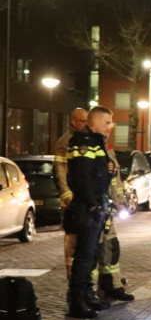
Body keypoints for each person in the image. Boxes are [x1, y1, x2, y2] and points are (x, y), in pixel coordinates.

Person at [64, 107, 115, 318]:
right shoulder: (84, 142)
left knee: (92, 255)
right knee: (84, 257)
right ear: (95, 122)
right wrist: (93, 204)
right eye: (108, 122)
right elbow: (81, 177)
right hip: (86, 209)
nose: (110, 127)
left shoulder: (95, 142)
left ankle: (87, 296)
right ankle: (77, 302)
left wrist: (110, 173)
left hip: (93, 207)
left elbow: (96, 177)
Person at [97, 130, 135, 302]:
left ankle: (112, 286)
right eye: (106, 124)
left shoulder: (107, 148)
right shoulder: (85, 147)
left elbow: (115, 178)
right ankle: (89, 293)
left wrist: (120, 202)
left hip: (106, 210)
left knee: (111, 249)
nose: (109, 128)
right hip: (93, 210)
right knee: (92, 254)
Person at [54, 108, 89, 279]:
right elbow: (61, 172)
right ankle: (72, 281)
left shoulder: (87, 140)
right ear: (73, 122)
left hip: (84, 201)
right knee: (72, 244)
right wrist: (68, 197)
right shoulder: (65, 142)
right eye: (82, 121)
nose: (85, 124)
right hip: (72, 203)